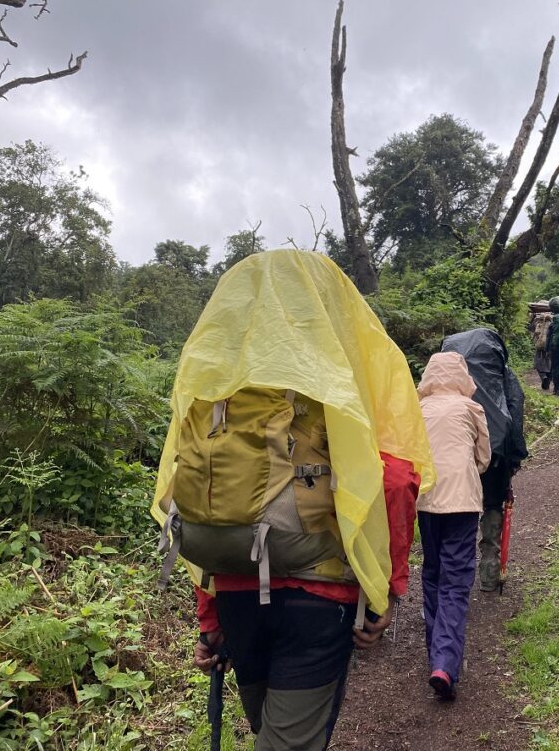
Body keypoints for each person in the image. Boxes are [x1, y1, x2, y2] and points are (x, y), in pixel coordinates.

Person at [152, 250, 435, 751]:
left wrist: (211, 621)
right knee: (291, 741)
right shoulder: (330, 386)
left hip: (237, 595)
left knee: (272, 733)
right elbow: (392, 483)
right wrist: (385, 591)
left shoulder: (220, 393)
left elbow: (196, 504)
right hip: (318, 601)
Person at [416, 351, 491, 700]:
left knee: (432, 572)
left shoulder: (418, 409)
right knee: (456, 580)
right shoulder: (470, 408)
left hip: (425, 500)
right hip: (461, 504)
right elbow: (484, 459)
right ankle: (444, 663)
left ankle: (437, 654)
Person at [440, 329, 528, 592]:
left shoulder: (443, 380)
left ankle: (453, 576)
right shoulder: (503, 374)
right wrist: (513, 456)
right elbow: (515, 408)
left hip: (454, 456)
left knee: (457, 512)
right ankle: (489, 570)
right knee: (491, 505)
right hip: (495, 452)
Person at [526, 300, 553, 390]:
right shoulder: (553, 319)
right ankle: (547, 380)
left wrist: (532, 318)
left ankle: (543, 377)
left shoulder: (537, 320)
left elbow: (530, 328)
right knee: (550, 363)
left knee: (538, 363)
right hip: (551, 345)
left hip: (540, 344)